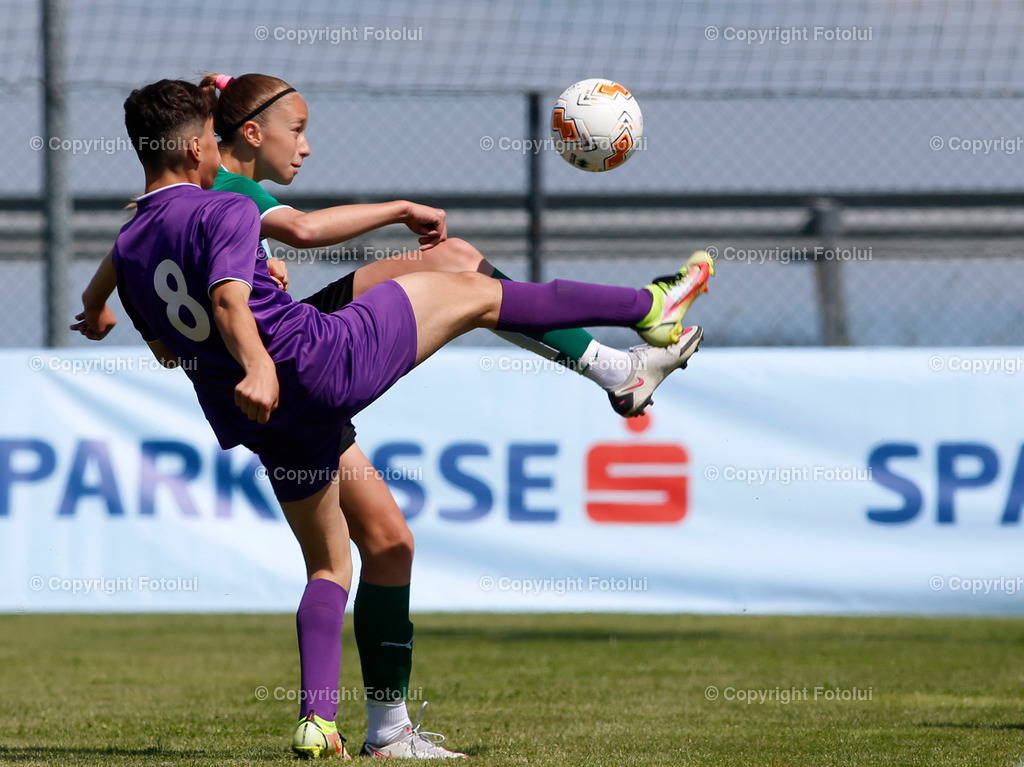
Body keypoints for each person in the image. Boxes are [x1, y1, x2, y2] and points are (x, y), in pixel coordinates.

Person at [73, 73, 713, 758]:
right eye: (295, 128)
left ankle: (355, 726)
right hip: (312, 360)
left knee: (365, 551)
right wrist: (261, 339)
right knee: (473, 291)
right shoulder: (223, 205)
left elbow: (166, 343)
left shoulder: (135, 240)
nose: (304, 145)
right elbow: (258, 276)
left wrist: (104, 305)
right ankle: (646, 308)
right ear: (206, 144)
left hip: (264, 416)